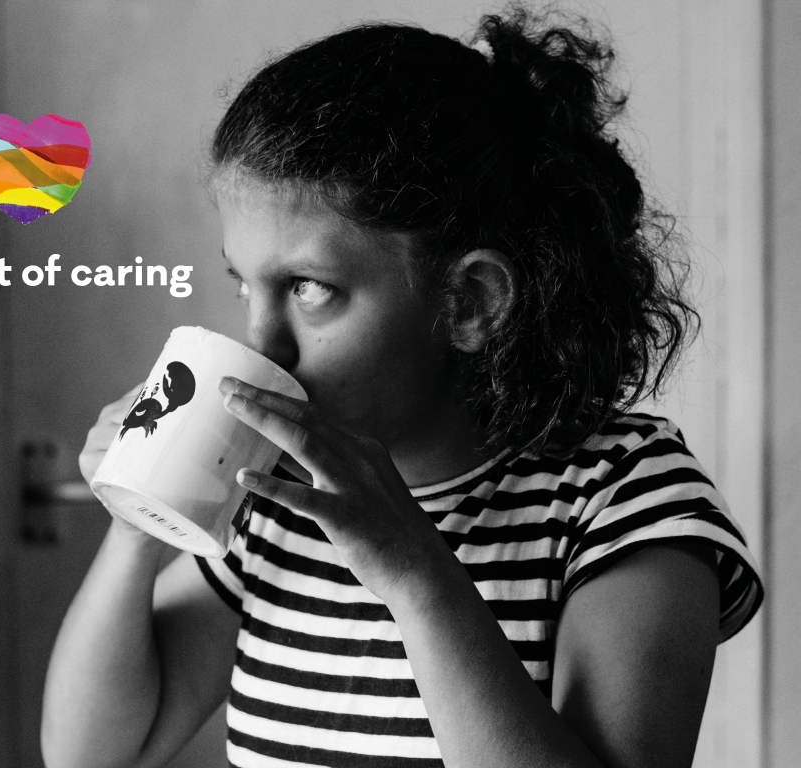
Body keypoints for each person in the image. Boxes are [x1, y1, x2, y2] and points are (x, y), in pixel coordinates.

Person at [41, 6, 763, 768]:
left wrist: (413, 573)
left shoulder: (621, 499)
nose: (262, 343)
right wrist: (134, 524)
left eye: (310, 288)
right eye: (245, 284)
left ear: (470, 303)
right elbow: (91, 754)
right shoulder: (277, 498)